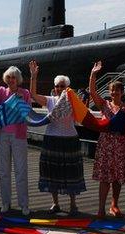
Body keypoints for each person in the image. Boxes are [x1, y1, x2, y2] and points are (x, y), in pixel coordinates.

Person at [29, 60, 86, 216]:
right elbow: (33, 95)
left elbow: (83, 115)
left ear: (67, 87)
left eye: (62, 86)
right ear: (54, 88)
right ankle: (55, 203)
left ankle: (73, 204)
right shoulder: (51, 101)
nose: (59, 88)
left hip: (69, 139)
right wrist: (34, 76)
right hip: (52, 139)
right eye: (57, 86)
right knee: (52, 171)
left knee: (71, 172)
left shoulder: (73, 101)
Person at [0, 50, 30, 215]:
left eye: (14, 77)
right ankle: (5, 202)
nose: (11, 80)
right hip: (2, 134)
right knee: (4, 171)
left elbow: (27, 112)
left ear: (18, 79)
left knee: (21, 170)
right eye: (8, 77)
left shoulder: (25, 94)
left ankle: (24, 204)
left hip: (19, 136)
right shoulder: (1, 92)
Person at [89, 61, 125, 218]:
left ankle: (114, 205)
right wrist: (93, 74)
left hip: (121, 143)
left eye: (117, 90)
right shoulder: (104, 105)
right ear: (109, 92)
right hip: (106, 143)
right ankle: (101, 208)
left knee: (117, 177)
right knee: (104, 177)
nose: (114, 92)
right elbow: (93, 92)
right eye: (112, 90)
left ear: (122, 92)